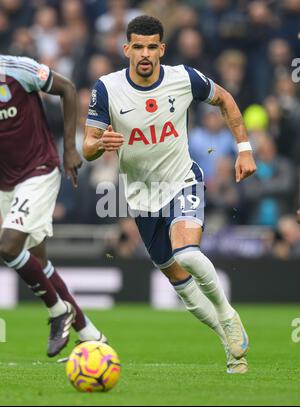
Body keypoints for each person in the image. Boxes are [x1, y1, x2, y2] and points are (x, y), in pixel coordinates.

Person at [83, 16, 256, 374]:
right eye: (138, 46)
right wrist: (101, 144)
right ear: (126, 48)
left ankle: (227, 313)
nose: (145, 54)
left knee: (188, 253)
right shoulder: (107, 87)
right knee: (177, 277)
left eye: (152, 47)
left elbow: (224, 99)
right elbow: (87, 147)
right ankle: (229, 345)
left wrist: (245, 148)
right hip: (141, 195)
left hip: (182, 180)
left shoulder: (183, 78)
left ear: (161, 49)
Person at [0, 55, 107, 357]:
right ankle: (90, 334)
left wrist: (69, 148)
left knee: (8, 248)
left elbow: (68, 88)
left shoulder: (16, 69)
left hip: (39, 170)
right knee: (38, 260)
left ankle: (58, 311)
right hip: (6, 183)